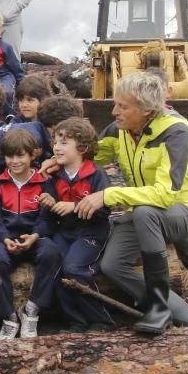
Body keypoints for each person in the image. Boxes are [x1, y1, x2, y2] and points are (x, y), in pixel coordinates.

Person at [79, 73, 188, 338]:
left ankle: (160, 309)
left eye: (123, 106)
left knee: (146, 212)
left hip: (180, 211)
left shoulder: (176, 131)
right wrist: (58, 160)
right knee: (113, 266)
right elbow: (91, 156)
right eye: (115, 103)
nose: (114, 111)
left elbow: (165, 195)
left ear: (147, 110)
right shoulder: (121, 129)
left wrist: (108, 195)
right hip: (142, 213)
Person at [38, 118, 114, 331]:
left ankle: (101, 320)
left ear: (82, 148)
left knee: (74, 268)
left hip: (91, 231)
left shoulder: (96, 174)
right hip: (65, 231)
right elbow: (51, 211)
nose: (56, 147)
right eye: (55, 142)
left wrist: (74, 206)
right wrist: (50, 203)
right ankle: (75, 322)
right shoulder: (55, 176)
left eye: (64, 143)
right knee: (58, 269)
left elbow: (104, 210)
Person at [0, 129, 63, 340]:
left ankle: (32, 309)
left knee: (52, 253)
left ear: (33, 155)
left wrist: (35, 236)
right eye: (9, 156)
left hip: (34, 237)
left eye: (20, 155)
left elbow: (47, 219)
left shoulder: (44, 182)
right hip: (7, 238)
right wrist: (4, 238)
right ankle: (9, 317)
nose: (14, 161)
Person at [0, 96, 83, 192]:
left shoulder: (34, 129)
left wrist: (54, 159)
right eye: (70, 129)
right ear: (57, 125)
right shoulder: (33, 137)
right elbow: (32, 174)